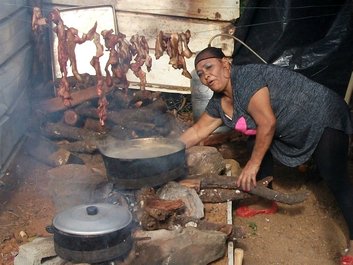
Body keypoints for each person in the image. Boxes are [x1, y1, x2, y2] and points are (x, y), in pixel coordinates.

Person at [178, 46, 353, 265]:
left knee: (336, 179)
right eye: (201, 74)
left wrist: (252, 165)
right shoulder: (218, 102)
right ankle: (266, 201)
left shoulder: (247, 77)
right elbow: (197, 132)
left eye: (209, 67)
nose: (206, 76)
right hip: (291, 123)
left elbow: (267, 123)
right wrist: (166, 149)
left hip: (322, 114)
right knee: (254, 141)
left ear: (225, 63)